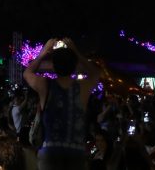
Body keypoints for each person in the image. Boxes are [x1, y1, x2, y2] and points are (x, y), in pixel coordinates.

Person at [24, 37, 101, 170]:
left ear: (54, 65)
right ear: (74, 65)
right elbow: (95, 73)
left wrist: (44, 52)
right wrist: (76, 51)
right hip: (76, 153)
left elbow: (27, 73)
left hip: (50, 153)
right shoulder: (82, 87)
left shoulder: (45, 85)